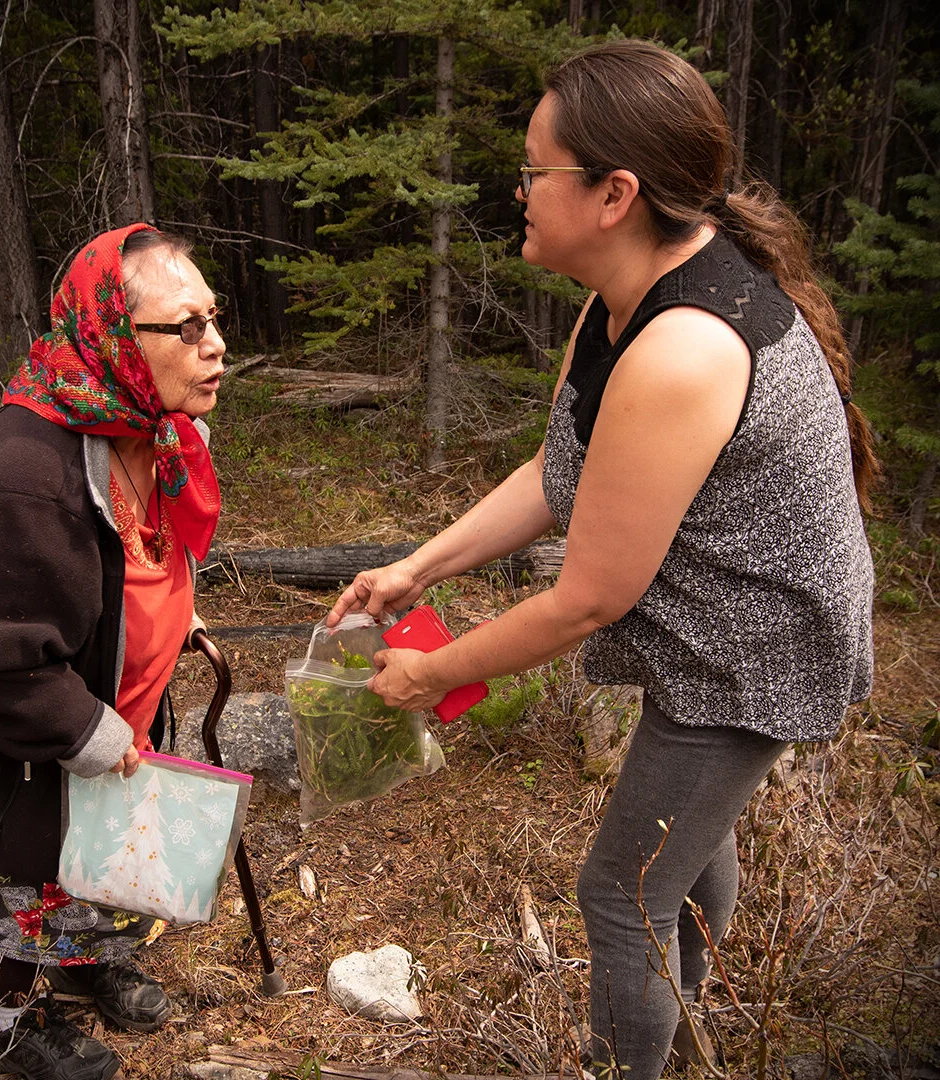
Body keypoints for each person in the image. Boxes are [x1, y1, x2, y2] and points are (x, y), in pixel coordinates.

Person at [328, 39, 875, 1080]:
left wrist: (436, 673)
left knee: (620, 893)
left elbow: (587, 600)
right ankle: (691, 1017)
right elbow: (561, 473)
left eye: (536, 170)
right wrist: (420, 570)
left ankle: (639, 1059)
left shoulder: (684, 348)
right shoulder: (622, 300)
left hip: (756, 645)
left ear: (615, 192)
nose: (520, 190)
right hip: (713, 614)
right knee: (679, 844)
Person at [0, 224, 226, 1080]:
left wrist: (181, 620)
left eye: (214, 317)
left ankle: (91, 959)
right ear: (110, 335)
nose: (216, 347)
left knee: (96, 851)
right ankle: (7, 1016)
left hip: (97, 699)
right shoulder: (31, 475)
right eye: (186, 327)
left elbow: (146, 550)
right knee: (19, 880)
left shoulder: (154, 423)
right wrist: (94, 736)